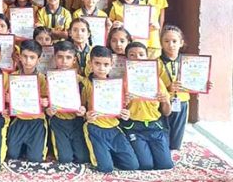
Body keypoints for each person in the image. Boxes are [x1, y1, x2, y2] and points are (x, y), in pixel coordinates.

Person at [82, 46, 139, 173]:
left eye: (106, 64)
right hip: (95, 127)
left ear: (111, 65)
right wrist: (86, 115)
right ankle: (105, 155)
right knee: (105, 168)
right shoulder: (85, 84)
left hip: (114, 128)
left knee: (132, 165)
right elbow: (80, 108)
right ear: (90, 64)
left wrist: (125, 113)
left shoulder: (116, 85)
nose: (101, 68)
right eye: (97, 63)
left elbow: (121, 109)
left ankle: (110, 154)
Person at [157, 25, 213, 150]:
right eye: (166, 41)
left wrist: (204, 84)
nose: (170, 44)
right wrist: (167, 87)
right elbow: (153, 86)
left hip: (181, 101)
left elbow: (196, 80)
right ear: (161, 43)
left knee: (177, 136)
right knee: (163, 130)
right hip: (163, 102)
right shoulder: (157, 63)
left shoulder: (189, 63)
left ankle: (174, 149)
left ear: (181, 43)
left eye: (174, 41)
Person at [123, 42, 174, 170]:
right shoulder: (123, 82)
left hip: (155, 127)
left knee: (165, 165)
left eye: (141, 54)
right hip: (135, 127)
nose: (137, 58)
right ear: (126, 59)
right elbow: (119, 112)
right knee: (146, 165)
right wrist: (124, 101)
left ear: (147, 57)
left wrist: (166, 101)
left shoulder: (157, 80)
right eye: (132, 55)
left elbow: (167, 112)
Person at [45, 41, 90, 164]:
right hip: (58, 120)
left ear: (74, 60)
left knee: (82, 158)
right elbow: (43, 103)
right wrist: (47, 110)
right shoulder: (48, 79)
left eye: (68, 57)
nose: (64, 61)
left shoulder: (82, 82)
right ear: (55, 58)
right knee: (65, 159)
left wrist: (84, 111)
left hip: (77, 121)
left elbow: (87, 106)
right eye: (60, 57)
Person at [6, 40, 49, 162]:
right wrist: (8, 100)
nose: (28, 61)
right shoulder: (13, 77)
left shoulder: (42, 79)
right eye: (25, 56)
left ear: (38, 60)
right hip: (19, 119)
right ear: (19, 57)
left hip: (37, 121)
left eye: (32, 57)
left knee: (35, 158)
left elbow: (47, 102)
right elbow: (6, 102)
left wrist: (44, 103)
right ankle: (23, 144)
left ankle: (32, 145)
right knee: (12, 154)